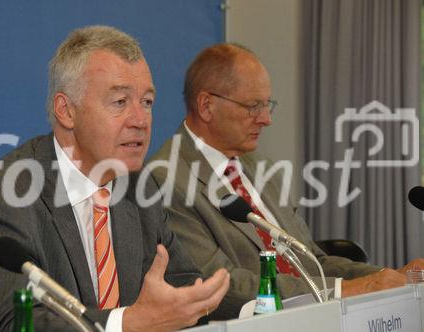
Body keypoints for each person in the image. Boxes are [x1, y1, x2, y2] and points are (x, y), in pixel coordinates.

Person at [0, 26, 238, 332]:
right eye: (120, 102)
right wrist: (128, 323)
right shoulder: (2, 198)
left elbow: (180, 289)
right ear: (66, 111)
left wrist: (257, 308)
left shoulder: (139, 185)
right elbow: (14, 323)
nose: (140, 120)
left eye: (147, 102)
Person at [147, 43, 424, 302]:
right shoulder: (165, 179)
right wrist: (344, 290)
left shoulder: (262, 168)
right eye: (253, 106)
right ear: (207, 105)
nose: (266, 119)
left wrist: (391, 276)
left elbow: (312, 262)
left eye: (268, 105)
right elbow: (217, 285)